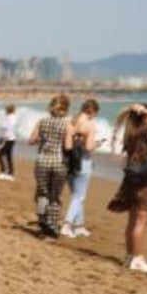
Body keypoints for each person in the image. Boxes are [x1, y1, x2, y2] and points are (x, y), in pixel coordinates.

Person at [107, 103, 147, 273]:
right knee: (140, 222)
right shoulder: (140, 134)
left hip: (132, 184)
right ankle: (138, 259)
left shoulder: (130, 134)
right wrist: (144, 110)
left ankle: (130, 257)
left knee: (133, 222)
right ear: (143, 118)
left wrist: (133, 110)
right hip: (144, 185)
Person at [29, 94, 71, 237]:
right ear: (65, 109)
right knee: (55, 195)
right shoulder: (67, 124)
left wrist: (45, 140)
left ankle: (42, 219)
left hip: (42, 161)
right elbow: (68, 146)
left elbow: (32, 140)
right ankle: (52, 225)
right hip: (58, 162)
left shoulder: (41, 122)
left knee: (43, 192)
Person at [61, 99, 103, 238]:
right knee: (79, 196)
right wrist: (98, 144)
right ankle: (67, 225)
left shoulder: (70, 120)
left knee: (76, 195)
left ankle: (79, 227)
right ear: (94, 112)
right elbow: (88, 147)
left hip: (69, 161)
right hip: (83, 162)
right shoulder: (90, 125)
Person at [0, 104, 17, 181]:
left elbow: (8, 129)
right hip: (12, 138)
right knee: (8, 156)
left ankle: (4, 172)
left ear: (8, 110)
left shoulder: (9, 118)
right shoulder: (13, 117)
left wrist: (3, 141)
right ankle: (10, 173)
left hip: (7, 139)